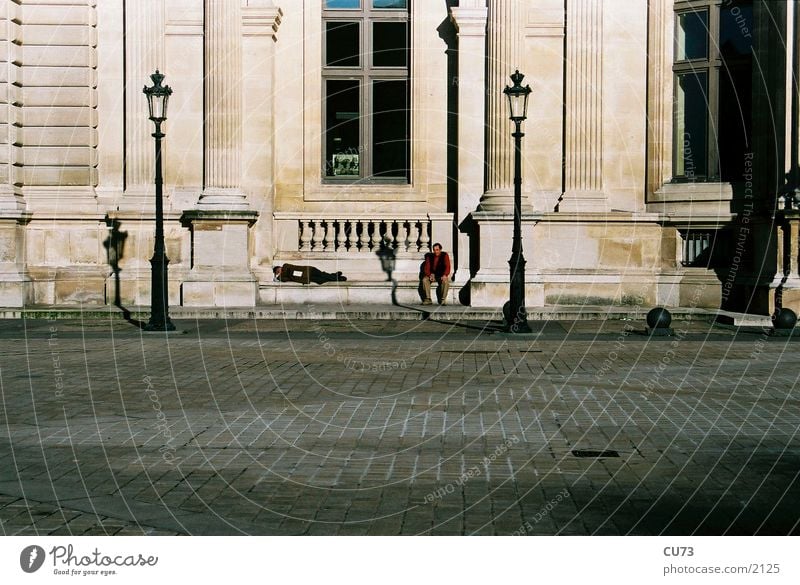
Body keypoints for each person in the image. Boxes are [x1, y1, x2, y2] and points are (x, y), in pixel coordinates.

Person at [273, 264, 347, 285]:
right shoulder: (284, 276)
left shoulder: (285, 266)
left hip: (309, 270)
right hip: (307, 277)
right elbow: (285, 279)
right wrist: (278, 277)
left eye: (278, 270)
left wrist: (280, 274)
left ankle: (339, 278)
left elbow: (287, 271)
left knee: (323, 275)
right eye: (277, 272)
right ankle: (335, 275)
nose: (279, 272)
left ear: (280, 267)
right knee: (321, 280)